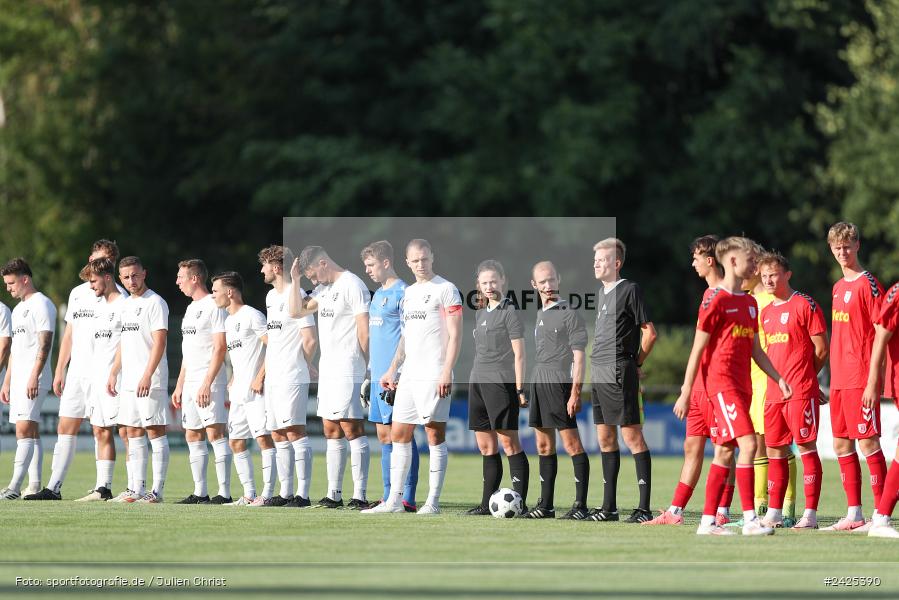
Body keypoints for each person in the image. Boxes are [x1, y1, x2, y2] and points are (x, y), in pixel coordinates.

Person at [673, 236, 791, 536]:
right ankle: (751, 519)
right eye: (751, 259)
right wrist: (687, 390)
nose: (755, 264)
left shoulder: (750, 303)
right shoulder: (716, 300)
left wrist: (777, 377)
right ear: (733, 261)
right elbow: (698, 349)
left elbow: (756, 350)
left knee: (724, 451)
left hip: (743, 387)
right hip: (721, 384)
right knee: (749, 444)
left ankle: (707, 522)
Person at [362, 239, 462, 515]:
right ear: (407, 262)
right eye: (415, 261)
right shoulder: (409, 294)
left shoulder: (447, 289)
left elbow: (455, 335)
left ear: (432, 257)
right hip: (409, 374)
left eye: (425, 259)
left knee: (433, 435)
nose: (421, 265)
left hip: (434, 372)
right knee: (399, 434)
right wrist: (393, 368)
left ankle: (432, 502)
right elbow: (405, 335)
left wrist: (446, 371)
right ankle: (393, 500)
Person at [645, 235, 737, 526]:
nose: (692, 263)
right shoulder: (707, 296)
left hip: (717, 386)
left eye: (696, 257)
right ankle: (676, 511)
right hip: (699, 385)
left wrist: (684, 390)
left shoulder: (727, 296)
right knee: (691, 447)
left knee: (725, 447)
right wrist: (689, 388)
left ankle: (722, 511)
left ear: (710, 260)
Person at [26, 241, 124, 501]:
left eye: (100, 260)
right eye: (92, 259)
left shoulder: (119, 298)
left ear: (110, 264)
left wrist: (115, 371)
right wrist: (60, 368)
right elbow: (69, 333)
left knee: (101, 429)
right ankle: (53, 487)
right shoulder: (78, 292)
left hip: (101, 374)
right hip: (77, 373)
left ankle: (103, 487)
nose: (94, 264)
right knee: (65, 426)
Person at [290, 246, 371, 509]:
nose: (313, 282)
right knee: (330, 428)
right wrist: (295, 281)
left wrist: (370, 368)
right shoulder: (323, 291)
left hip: (349, 365)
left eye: (313, 275)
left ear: (323, 263)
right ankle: (333, 494)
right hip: (328, 368)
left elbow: (364, 331)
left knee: (351, 427)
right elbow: (295, 311)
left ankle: (359, 495)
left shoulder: (353, 284)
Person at [755, 252, 828, 529]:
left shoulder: (804, 304)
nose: (768, 280)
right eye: (764, 276)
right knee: (775, 451)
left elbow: (821, 348)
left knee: (807, 449)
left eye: (773, 274)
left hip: (800, 391)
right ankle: (773, 511)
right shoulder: (766, 312)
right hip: (774, 394)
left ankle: (810, 514)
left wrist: (807, 376)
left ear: (787, 274)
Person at [823, 222, 887, 531]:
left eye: (847, 246)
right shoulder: (837, 287)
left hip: (861, 377)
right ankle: (855, 513)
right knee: (841, 446)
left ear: (857, 246)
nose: (842, 252)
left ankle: (881, 514)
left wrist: (875, 379)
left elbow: (882, 331)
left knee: (868, 443)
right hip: (839, 380)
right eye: (837, 248)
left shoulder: (868, 283)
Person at [589, 238, 658, 523]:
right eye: (595, 259)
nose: (596, 263)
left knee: (631, 436)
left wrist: (636, 363)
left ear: (616, 263)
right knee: (605, 438)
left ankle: (643, 509)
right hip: (599, 371)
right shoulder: (601, 293)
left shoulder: (629, 289)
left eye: (602, 259)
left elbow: (650, 333)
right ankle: (609, 508)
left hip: (619, 368)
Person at [520, 261, 590, 520]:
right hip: (540, 380)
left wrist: (575, 392)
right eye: (543, 282)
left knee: (572, 444)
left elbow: (580, 358)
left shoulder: (570, 313)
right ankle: (545, 506)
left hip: (560, 383)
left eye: (551, 280)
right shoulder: (541, 313)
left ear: (558, 279)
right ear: (534, 285)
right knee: (542, 444)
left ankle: (580, 506)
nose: (548, 286)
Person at [463, 260, 529, 516]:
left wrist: (520, 388)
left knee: (509, 443)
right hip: (477, 381)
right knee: (486, 447)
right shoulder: (480, 312)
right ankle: (484, 504)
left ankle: (519, 503)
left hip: (500, 383)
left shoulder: (510, 312)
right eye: (484, 282)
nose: (489, 286)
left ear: (503, 281)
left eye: (493, 281)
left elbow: (520, 355)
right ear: (478, 285)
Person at [211, 271, 278, 506]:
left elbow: (274, 347)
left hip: (257, 392)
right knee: (236, 442)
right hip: (238, 392)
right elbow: (242, 356)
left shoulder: (253, 316)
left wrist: (260, 376)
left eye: (216, 291)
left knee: (263, 440)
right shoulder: (228, 321)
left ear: (229, 292)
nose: (213, 296)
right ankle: (249, 494)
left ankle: (267, 495)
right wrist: (234, 378)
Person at [361, 241, 419, 511]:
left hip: (396, 376)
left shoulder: (404, 293)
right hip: (377, 377)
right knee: (384, 437)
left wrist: (396, 369)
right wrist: (370, 371)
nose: (368, 270)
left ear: (386, 262)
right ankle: (388, 496)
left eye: (371, 265)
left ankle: (407, 497)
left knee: (403, 435)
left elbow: (408, 336)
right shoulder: (377, 294)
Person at [107, 256, 170, 503]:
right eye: (126, 277)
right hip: (129, 379)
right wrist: (114, 371)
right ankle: (137, 488)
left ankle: (157, 491)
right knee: (132, 431)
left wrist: (147, 374)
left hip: (150, 378)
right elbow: (124, 341)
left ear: (144, 273)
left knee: (155, 431)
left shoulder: (155, 302)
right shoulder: (124, 305)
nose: (131, 281)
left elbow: (160, 342)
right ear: (120, 279)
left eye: (135, 275)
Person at [259, 245, 317, 507]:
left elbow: (309, 339)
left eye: (265, 265)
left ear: (277, 267)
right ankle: (285, 493)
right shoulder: (271, 298)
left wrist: (303, 365)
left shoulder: (299, 294)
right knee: (278, 433)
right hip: (273, 375)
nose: (262, 270)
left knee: (294, 431)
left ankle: (302, 495)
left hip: (292, 374)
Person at [171, 259, 232, 504]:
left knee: (215, 433)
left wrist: (207, 382)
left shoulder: (213, 305)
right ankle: (200, 492)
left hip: (210, 381)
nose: (177, 282)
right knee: (192, 435)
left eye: (181, 277)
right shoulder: (190, 309)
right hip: (190, 382)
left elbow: (219, 348)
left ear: (194, 278)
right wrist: (180, 384)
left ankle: (224, 493)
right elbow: (188, 351)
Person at [0, 258, 56, 500]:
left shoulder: (42, 304)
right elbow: (16, 349)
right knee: (30, 430)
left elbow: (45, 343)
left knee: (24, 428)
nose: (9, 288)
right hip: (19, 379)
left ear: (25, 279)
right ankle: (34, 485)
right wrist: (7, 380)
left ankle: (13, 486)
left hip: (35, 378)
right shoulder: (19, 309)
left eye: (12, 283)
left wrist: (34, 375)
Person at [864, 281, 899, 537]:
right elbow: (881, 336)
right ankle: (881, 518)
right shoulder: (897, 293)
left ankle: (881, 516)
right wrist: (873, 381)